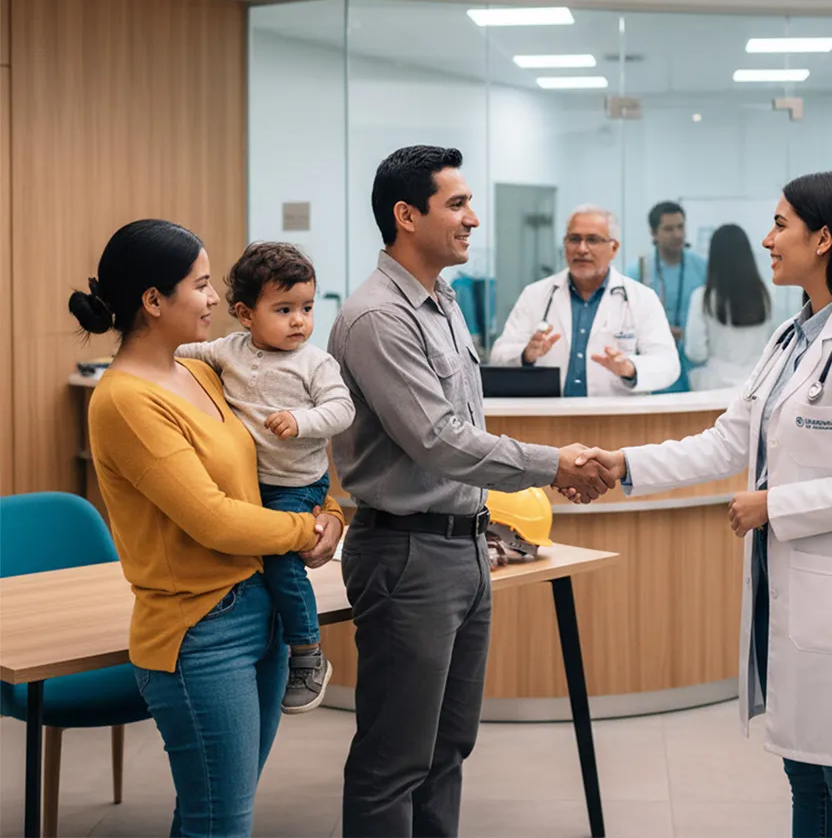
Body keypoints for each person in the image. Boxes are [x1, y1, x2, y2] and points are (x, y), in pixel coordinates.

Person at [575, 172, 832, 838]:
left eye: (781, 225)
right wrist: (625, 465)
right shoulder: (791, 339)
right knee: (807, 779)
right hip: (794, 597)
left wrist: (774, 505)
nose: (767, 239)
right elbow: (727, 440)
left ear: (824, 239)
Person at [328, 146, 615, 838]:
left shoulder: (443, 303)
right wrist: (553, 465)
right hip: (408, 556)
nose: (473, 219)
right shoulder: (378, 318)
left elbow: (459, 433)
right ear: (406, 216)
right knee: (395, 759)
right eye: (456, 204)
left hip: (463, 548)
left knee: (448, 747)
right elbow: (438, 440)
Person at [69, 220, 345, 838]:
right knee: (221, 822)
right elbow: (213, 519)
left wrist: (330, 512)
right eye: (199, 284)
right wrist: (305, 532)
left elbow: (271, 468)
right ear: (153, 300)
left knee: (214, 817)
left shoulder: (200, 374)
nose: (216, 297)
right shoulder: (125, 400)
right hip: (201, 631)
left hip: (262, 609)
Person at [177, 241, 355, 713]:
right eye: (284, 309)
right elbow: (180, 350)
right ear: (245, 314)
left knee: (281, 564)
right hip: (249, 484)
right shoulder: (228, 350)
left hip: (296, 484)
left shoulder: (315, 362)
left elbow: (342, 409)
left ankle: (308, 652)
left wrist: (301, 420)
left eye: (307, 308)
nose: (299, 321)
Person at [489, 204, 680, 397]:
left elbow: (668, 364)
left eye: (592, 240)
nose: (581, 249)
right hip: (550, 412)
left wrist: (630, 368)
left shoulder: (642, 298)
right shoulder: (535, 295)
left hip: (615, 413)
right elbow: (498, 356)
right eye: (574, 239)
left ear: (613, 248)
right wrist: (525, 355)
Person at [627, 200, 708, 392]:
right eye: (669, 229)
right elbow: (628, 319)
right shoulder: (639, 271)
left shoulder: (702, 267)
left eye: (680, 227)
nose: (677, 234)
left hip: (693, 365)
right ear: (654, 233)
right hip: (654, 362)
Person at [684, 224, 773, 390]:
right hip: (759, 384)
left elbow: (696, 352)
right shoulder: (765, 294)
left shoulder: (702, 297)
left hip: (716, 386)